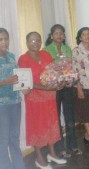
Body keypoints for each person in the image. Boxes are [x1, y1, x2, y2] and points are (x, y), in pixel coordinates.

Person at [18, 32, 66, 169]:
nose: (36, 43)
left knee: (50, 126)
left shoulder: (45, 55)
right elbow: (27, 82)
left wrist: (60, 80)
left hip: (49, 98)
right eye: (32, 41)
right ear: (27, 42)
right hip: (34, 99)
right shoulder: (23, 59)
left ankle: (52, 154)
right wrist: (47, 88)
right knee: (37, 128)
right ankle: (39, 158)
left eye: (38, 40)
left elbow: (54, 72)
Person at [43, 24, 82, 158]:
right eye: (57, 33)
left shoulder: (67, 49)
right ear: (52, 35)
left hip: (67, 86)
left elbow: (70, 67)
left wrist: (67, 76)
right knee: (56, 118)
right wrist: (57, 68)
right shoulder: (46, 50)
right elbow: (47, 69)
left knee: (70, 116)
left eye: (61, 33)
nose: (59, 36)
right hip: (54, 88)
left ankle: (72, 145)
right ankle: (60, 148)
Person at [0, 28, 25, 169]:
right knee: (3, 140)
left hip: (15, 102)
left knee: (14, 138)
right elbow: (8, 80)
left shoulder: (11, 56)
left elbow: (18, 77)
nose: (4, 42)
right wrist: (5, 81)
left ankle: (19, 166)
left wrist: (24, 86)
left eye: (6, 39)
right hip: (2, 104)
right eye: (0, 39)